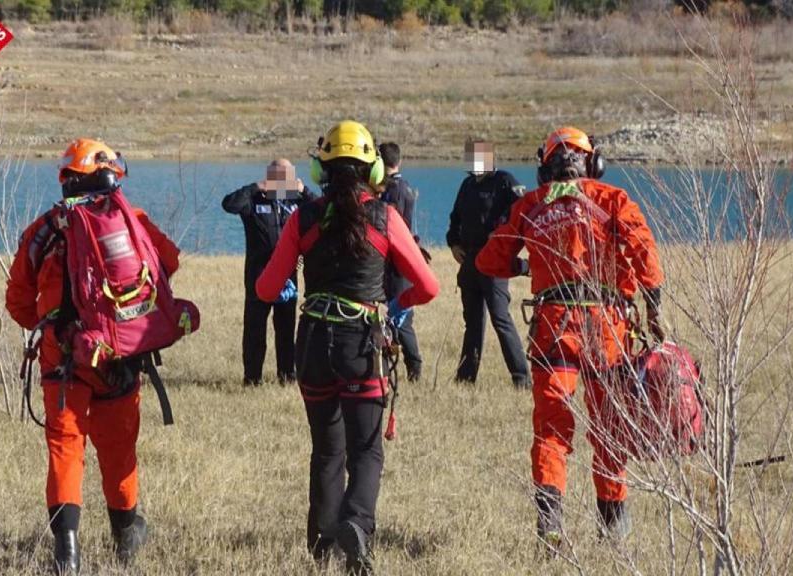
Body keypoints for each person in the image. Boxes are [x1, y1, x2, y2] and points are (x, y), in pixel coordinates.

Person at [256, 121, 439, 574]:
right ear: (373, 169)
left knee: (327, 451)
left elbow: (265, 290)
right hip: (364, 345)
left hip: (314, 345)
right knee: (367, 451)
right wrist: (397, 303)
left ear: (322, 168)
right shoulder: (386, 216)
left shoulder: (303, 218)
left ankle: (321, 548)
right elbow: (429, 286)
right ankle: (357, 525)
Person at [475, 127, 664, 550]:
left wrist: (525, 269)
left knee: (551, 433)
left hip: (554, 326)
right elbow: (645, 254)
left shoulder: (529, 205)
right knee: (611, 429)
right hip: (607, 325)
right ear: (593, 163)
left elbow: (489, 260)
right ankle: (613, 531)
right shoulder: (612, 199)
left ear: (545, 169)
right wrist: (654, 309)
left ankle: (550, 529)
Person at [6, 139, 182, 574]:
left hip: (61, 360)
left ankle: (67, 552)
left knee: (66, 450)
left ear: (67, 177)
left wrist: (50, 323)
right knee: (119, 449)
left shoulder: (45, 228)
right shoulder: (132, 219)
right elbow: (170, 262)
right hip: (119, 354)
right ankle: (126, 536)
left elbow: (18, 303)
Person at [446, 140, 531, 388]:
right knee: (472, 322)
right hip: (469, 262)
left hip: (493, 262)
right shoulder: (467, 185)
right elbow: (455, 218)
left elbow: (522, 210)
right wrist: (453, 244)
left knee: (501, 319)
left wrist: (502, 232)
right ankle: (465, 378)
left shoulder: (506, 181)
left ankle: (521, 379)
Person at [222, 159, 314, 386]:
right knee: (255, 331)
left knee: (285, 330)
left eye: (288, 176)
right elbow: (229, 204)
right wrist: (256, 187)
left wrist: (304, 191)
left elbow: (323, 211)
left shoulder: (296, 201)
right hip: (258, 275)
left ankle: (287, 375)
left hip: (287, 277)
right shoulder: (253, 201)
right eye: (279, 176)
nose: (284, 181)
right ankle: (252, 378)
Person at [377, 142, 425, 382]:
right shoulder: (398, 187)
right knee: (388, 317)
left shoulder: (395, 190)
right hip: (391, 261)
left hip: (398, 262)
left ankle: (414, 366)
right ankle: (388, 364)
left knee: (400, 317)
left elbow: (389, 222)